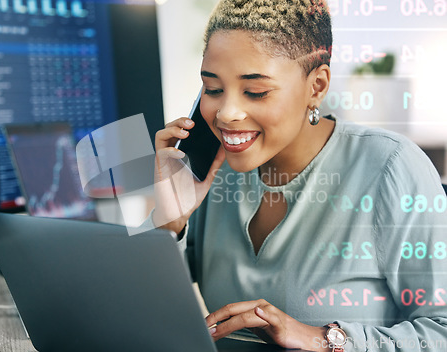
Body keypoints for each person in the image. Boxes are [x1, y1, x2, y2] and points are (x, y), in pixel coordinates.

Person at [149, 0, 447, 350]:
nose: (226, 113)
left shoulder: (390, 167)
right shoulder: (214, 174)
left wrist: (321, 339)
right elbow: (147, 316)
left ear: (317, 86)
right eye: (213, 89)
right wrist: (170, 222)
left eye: (255, 91)